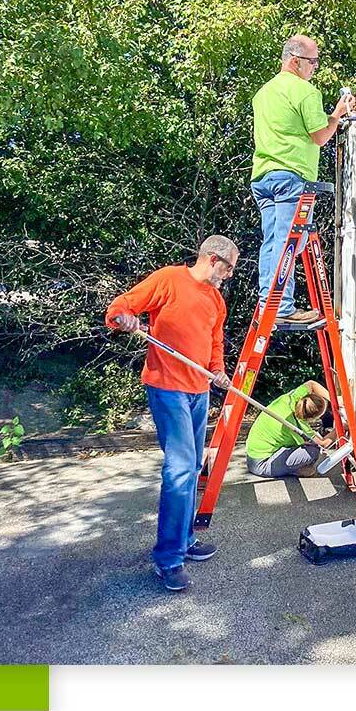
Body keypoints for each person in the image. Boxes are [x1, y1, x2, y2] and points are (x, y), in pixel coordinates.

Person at [107, 236, 237, 593]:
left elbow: (214, 341)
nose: (229, 275)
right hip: (167, 387)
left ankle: (184, 538)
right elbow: (122, 305)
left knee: (193, 466)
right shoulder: (168, 280)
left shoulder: (216, 301)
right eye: (228, 268)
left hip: (199, 390)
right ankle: (168, 559)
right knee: (179, 470)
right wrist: (125, 319)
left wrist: (218, 370)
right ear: (213, 260)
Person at [250, 35, 355, 325]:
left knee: (272, 241)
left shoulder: (264, 92)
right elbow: (320, 136)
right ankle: (281, 307)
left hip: (263, 176)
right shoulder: (305, 92)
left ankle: (267, 302)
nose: (315, 67)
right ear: (295, 61)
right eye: (313, 61)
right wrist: (337, 114)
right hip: (291, 175)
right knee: (288, 243)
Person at [245, 380, 334, 479]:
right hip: (261, 464)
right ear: (311, 419)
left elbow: (311, 384)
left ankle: (291, 467)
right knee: (313, 451)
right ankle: (293, 471)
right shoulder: (296, 425)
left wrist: (336, 399)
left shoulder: (292, 398)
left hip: (253, 455)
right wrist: (341, 429)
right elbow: (323, 444)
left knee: (306, 443)